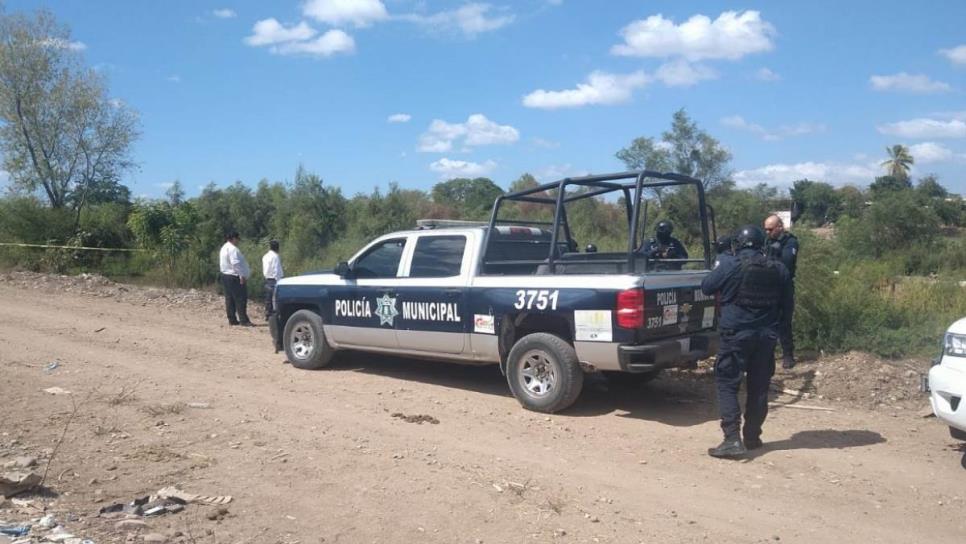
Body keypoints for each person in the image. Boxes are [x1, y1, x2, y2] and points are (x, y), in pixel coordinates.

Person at [700, 225, 792, 458]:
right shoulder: (779, 268)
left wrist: (720, 261)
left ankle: (732, 439)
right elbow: (787, 307)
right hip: (766, 337)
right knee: (759, 387)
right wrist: (785, 342)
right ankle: (752, 437)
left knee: (727, 384)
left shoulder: (730, 264)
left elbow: (707, 287)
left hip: (736, 336)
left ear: (738, 244)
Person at [763, 214, 799, 369]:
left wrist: (768, 262)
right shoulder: (766, 241)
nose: (767, 232)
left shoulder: (790, 241)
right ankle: (766, 355)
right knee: (766, 321)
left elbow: (786, 262)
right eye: (765, 229)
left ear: (779, 227)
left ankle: (788, 355)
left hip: (783, 286)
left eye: (770, 229)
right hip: (767, 286)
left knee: (784, 322)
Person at [219, 230, 252, 326]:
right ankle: (244, 320)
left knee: (229, 298)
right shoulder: (233, 249)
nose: (238, 241)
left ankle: (232, 319)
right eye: (237, 239)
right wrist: (241, 275)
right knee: (240, 298)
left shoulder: (224, 247)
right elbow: (235, 264)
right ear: (233, 238)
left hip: (225, 275)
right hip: (234, 276)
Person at [261, 239, 284, 320]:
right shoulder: (275, 256)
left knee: (268, 299)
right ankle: (275, 316)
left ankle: (268, 314)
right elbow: (276, 270)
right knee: (275, 299)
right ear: (277, 248)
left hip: (267, 279)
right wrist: (279, 281)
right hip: (274, 280)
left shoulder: (265, 256)